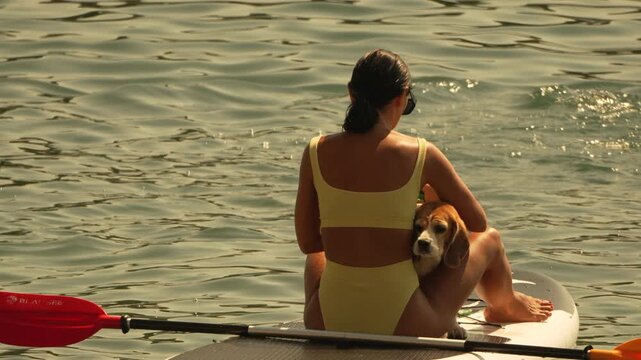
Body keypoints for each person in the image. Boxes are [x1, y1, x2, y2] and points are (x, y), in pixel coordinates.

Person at [294, 49, 553, 337]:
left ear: (351, 94)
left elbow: (309, 242)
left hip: (325, 320)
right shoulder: (420, 153)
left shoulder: (315, 150)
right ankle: (506, 305)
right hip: (406, 322)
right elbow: (476, 223)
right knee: (489, 239)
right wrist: (431, 205)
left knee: (321, 254)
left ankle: (345, 305)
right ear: (401, 98)